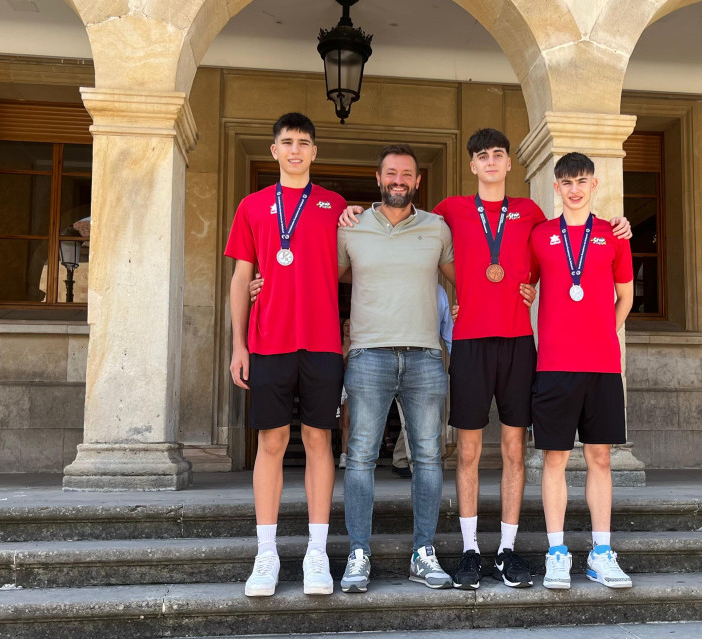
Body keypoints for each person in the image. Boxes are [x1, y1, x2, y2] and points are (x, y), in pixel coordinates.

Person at [340, 128, 632, 591]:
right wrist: (354, 211)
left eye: (499, 154)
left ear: (509, 164)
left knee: (515, 451)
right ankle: (472, 550)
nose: (491, 162)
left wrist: (618, 224)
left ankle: (508, 550)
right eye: (483, 156)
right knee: (469, 453)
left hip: (519, 343)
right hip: (470, 344)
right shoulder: (449, 212)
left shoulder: (532, 214)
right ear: (472, 165)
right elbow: (403, 221)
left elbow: (570, 239)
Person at [225, 112, 347, 598]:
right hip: (269, 341)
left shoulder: (336, 206)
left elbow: (365, 260)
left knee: (320, 442)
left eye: (303, 143)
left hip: (322, 344)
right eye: (286, 142)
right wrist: (239, 344)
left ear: (315, 152)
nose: (295, 150)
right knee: (270, 444)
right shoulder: (252, 206)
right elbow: (240, 277)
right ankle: (267, 553)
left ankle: (317, 552)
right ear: (273, 151)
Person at [337, 144, 456, 593]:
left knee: (427, 458)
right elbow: (315, 276)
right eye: (391, 173)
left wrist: (520, 289)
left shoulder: (437, 228)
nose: (399, 179)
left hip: (426, 355)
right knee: (361, 456)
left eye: (407, 173)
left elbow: (463, 276)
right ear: (378, 177)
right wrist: (263, 283)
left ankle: (423, 553)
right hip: (369, 354)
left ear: (418, 180)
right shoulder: (351, 227)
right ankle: (358, 553)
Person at [528, 152, 635, 591]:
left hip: (602, 366)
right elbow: (522, 287)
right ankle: (557, 552)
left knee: (601, 457)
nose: (574, 188)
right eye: (567, 181)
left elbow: (625, 297)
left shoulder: (615, 235)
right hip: (553, 365)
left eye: (582, 181)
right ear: (557, 187)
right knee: (554, 458)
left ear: (595, 186)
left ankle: (601, 551)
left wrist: (600, 334)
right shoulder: (539, 236)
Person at [390, 284, 454, 479]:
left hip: (426, 358)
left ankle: (405, 462)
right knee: (412, 420)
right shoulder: (394, 286)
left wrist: (460, 364)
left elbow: (449, 331)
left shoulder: (438, 291)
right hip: (393, 356)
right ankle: (415, 468)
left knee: (419, 419)